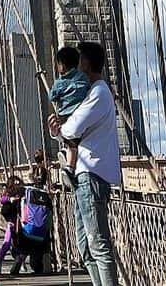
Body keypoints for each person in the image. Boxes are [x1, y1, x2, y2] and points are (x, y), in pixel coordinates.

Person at [48, 42, 121, 286]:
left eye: (78, 61)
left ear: (86, 64)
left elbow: (73, 128)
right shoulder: (88, 93)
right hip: (82, 177)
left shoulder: (99, 92)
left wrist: (62, 129)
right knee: (85, 245)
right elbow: (68, 131)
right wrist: (59, 131)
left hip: (92, 176)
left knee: (98, 243)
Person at [48, 45, 91, 187]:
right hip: (79, 115)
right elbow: (88, 89)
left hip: (64, 117)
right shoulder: (83, 77)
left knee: (71, 144)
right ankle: (68, 162)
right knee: (76, 142)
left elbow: (51, 96)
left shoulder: (59, 82)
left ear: (61, 66)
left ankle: (68, 166)